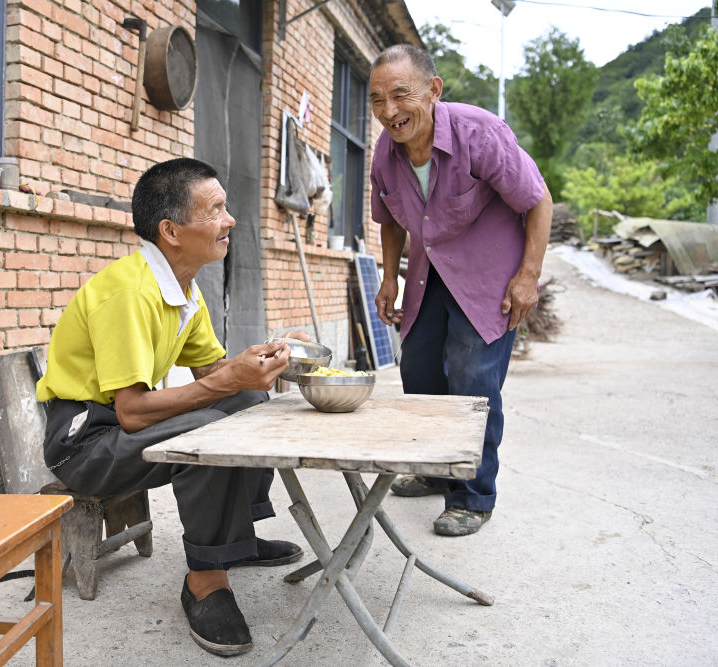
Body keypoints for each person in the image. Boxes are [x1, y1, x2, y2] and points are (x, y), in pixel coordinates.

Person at [36, 157, 304, 657]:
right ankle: (205, 579)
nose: (230, 220)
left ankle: (236, 539)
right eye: (215, 209)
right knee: (206, 430)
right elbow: (133, 412)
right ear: (171, 231)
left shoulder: (183, 289)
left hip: (119, 429)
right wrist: (230, 379)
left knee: (247, 397)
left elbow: (213, 372)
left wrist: (268, 359)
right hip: (84, 444)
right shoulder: (129, 292)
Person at [368, 45, 552, 536]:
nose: (389, 110)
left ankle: (472, 496)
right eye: (377, 99)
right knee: (419, 371)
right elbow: (389, 219)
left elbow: (538, 201)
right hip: (429, 272)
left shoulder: (479, 133)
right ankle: (434, 471)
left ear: (434, 90)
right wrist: (389, 277)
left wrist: (528, 276)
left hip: (490, 275)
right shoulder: (386, 152)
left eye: (400, 95)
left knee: (473, 380)